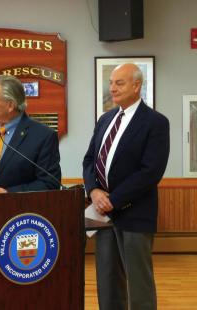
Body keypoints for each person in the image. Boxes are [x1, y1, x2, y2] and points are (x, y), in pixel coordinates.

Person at [83, 63, 170, 310]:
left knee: (138, 284)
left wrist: (113, 199)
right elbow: (89, 160)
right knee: (108, 282)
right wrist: (94, 191)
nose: (112, 88)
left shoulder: (155, 122)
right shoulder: (105, 119)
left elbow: (151, 171)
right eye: (111, 82)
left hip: (135, 213)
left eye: (119, 83)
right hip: (102, 212)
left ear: (137, 85)